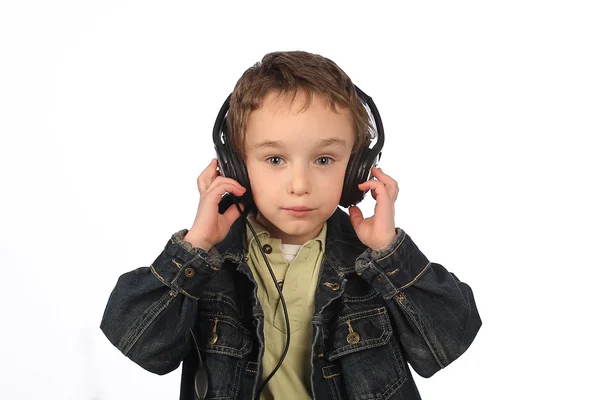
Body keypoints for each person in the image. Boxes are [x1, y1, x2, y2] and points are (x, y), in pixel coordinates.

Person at [100, 50, 482, 400]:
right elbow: (140, 344)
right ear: (235, 166)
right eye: (275, 160)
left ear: (356, 169)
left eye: (324, 160)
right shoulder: (210, 260)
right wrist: (195, 248)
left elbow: (450, 340)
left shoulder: (374, 259)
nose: (300, 185)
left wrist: (390, 253)